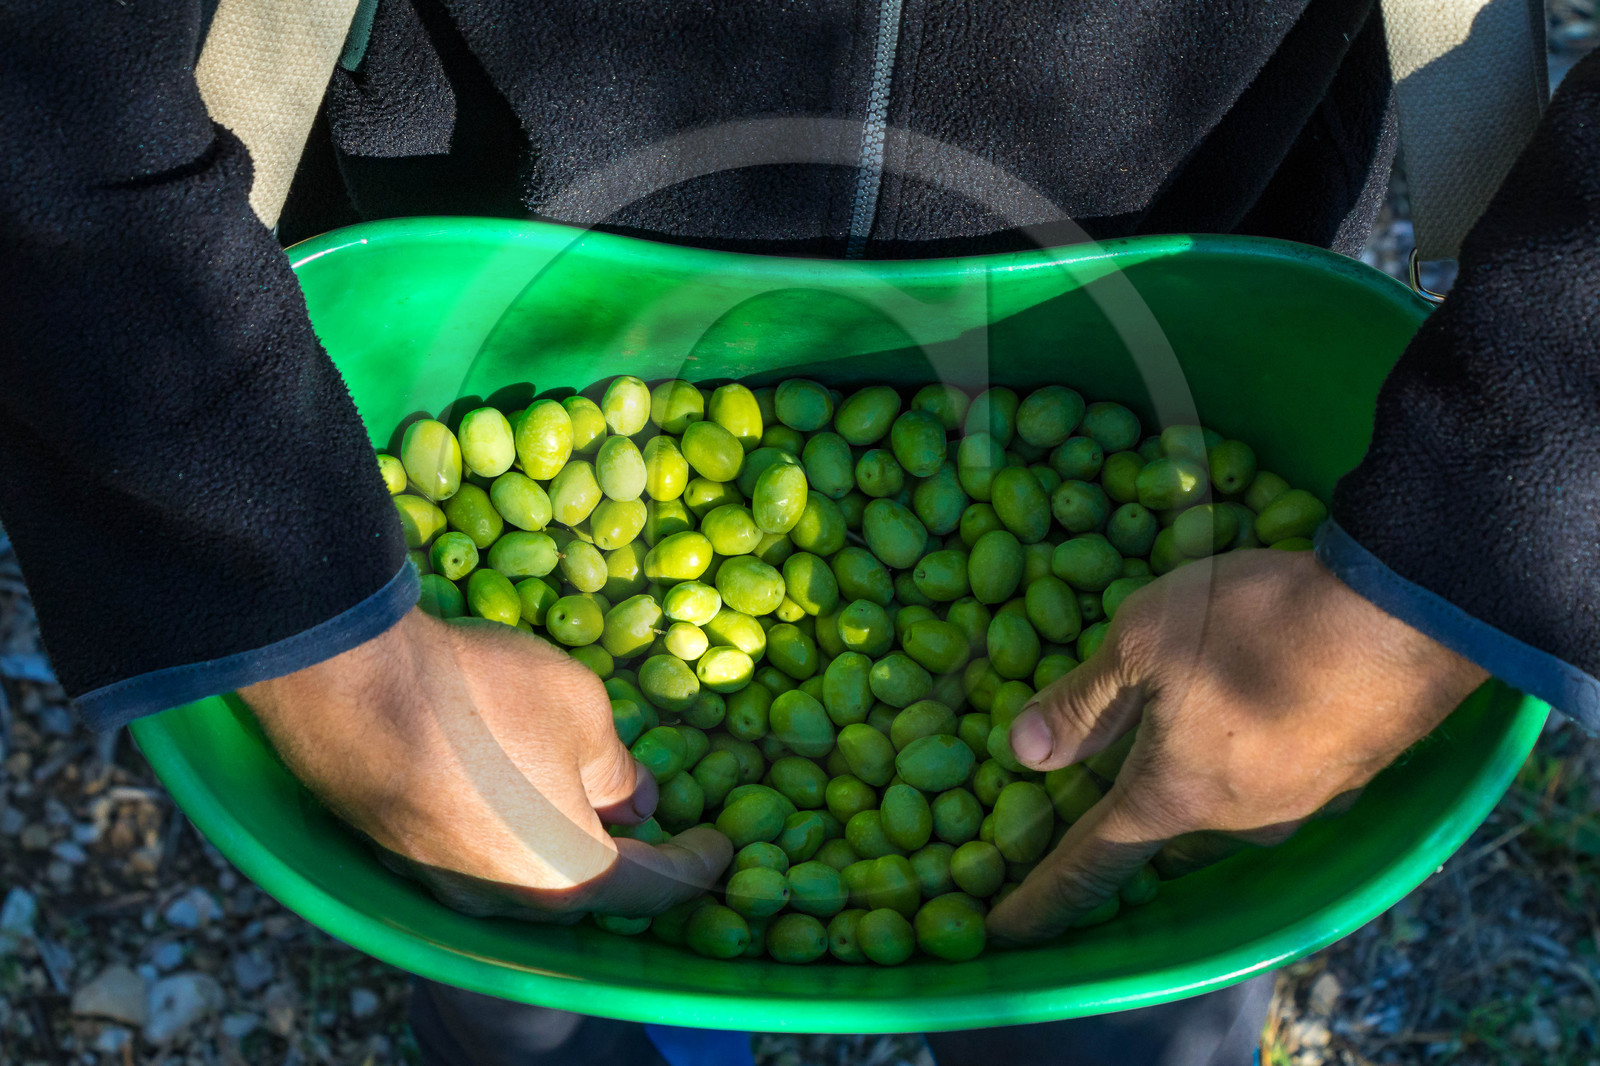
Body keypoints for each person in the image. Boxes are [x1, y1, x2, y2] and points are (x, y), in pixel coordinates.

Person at [3, 0, 1596, 1063]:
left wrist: (1474, 538)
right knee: (543, 991)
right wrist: (301, 608)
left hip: (1210, 225)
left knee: (1120, 965)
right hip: (477, 240)